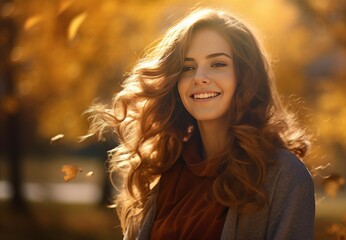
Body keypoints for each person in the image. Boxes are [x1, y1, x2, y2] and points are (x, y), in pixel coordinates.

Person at [87, 8, 315, 240]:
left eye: (218, 64)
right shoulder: (162, 168)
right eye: (188, 67)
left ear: (244, 76)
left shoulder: (284, 176)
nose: (199, 77)